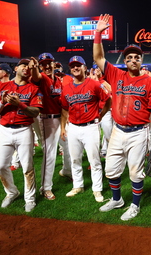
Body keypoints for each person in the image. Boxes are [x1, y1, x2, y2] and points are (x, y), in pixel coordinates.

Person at [93, 13, 151, 221]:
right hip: (117, 130)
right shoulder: (116, 74)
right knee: (111, 170)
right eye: (129, 57)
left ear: (142, 60)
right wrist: (98, 33)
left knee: (135, 172)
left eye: (137, 57)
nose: (133, 59)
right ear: (125, 60)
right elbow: (98, 57)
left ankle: (135, 205)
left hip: (139, 132)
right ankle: (117, 200)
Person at [0, 58, 43, 212]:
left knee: (27, 167)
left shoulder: (33, 88)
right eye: (22, 65)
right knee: (0, 166)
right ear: (16, 69)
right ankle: (12, 192)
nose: (25, 68)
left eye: (28, 66)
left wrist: (20, 104)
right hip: (5, 130)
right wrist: (2, 102)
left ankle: (30, 199)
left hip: (24, 129)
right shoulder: (3, 86)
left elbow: (36, 111)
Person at [60, 55, 111, 202]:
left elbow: (108, 100)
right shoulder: (66, 88)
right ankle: (78, 185)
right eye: (72, 66)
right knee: (75, 159)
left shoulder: (94, 84)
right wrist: (63, 127)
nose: (75, 68)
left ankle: (97, 189)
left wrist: (101, 115)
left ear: (84, 67)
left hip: (90, 127)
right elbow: (64, 108)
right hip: (73, 128)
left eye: (78, 65)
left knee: (94, 160)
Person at [29, 52, 65, 200]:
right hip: (46, 120)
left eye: (48, 63)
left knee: (68, 147)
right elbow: (35, 77)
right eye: (43, 64)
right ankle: (46, 188)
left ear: (53, 64)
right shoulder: (42, 78)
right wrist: (35, 68)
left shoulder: (58, 80)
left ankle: (67, 171)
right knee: (49, 155)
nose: (46, 66)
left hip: (60, 119)